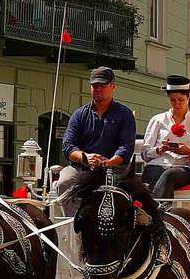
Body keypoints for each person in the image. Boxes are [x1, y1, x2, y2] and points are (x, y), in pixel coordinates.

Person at [58, 67, 137, 196]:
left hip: (114, 168)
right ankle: (72, 217)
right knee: (64, 182)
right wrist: (86, 157)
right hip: (81, 168)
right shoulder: (79, 115)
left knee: (126, 190)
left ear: (113, 86)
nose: (98, 89)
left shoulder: (125, 114)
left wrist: (110, 162)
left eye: (102, 85)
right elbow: (68, 147)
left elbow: (126, 146)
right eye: (95, 85)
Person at [141, 75, 190, 200]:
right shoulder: (157, 120)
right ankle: (162, 213)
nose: (177, 104)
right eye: (172, 100)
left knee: (169, 175)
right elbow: (145, 153)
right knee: (151, 181)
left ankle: (158, 214)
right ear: (168, 99)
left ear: (189, 97)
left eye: (181, 100)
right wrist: (159, 150)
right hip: (158, 164)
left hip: (183, 168)